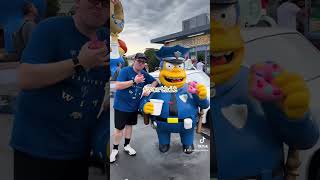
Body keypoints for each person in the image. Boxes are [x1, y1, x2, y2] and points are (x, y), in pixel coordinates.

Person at [10, 0, 109, 179]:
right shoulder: (51, 29)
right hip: (37, 149)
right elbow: (25, 78)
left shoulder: (110, 40)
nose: (99, 6)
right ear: (78, 2)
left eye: (106, 3)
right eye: (94, 0)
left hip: (78, 150)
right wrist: (80, 63)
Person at [110, 53, 158, 163]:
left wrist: (150, 88)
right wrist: (134, 81)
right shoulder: (125, 71)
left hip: (133, 106)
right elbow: (117, 86)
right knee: (119, 129)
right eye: (139, 61)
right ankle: (115, 149)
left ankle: (127, 145)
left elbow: (155, 81)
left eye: (143, 62)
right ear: (134, 61)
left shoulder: (144, 74)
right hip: (121, 106)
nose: (140, 63)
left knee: (129, 126)